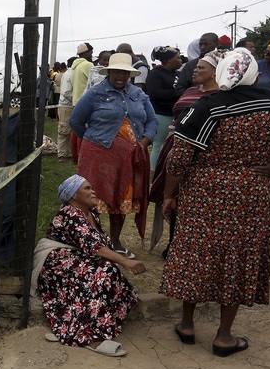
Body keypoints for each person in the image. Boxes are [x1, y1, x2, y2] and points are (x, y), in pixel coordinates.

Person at [160, 48, 270, 357]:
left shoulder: (208, 107)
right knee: (238, 258)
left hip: (204, 191)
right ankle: (223, 336)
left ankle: (187, 324)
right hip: (250, 192)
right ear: (255, 73)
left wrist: (169, 194)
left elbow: (179, 159)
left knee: (197, 253)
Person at [32, 175, 146, 357]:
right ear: (73, 195)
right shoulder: (70, 213)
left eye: (92, 188)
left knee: (109, 269)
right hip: (57, 263)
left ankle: (99, 324)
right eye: (87, 189)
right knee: (102, 270)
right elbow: (94, 246)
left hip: (75, 257)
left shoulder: (91, 214)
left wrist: (119, 258)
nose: (93, 191)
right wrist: (125, 261)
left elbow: (99, 244)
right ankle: (90, 336)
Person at [69, 53, 158, 258]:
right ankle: (92, 240)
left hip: (129, 157)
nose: (120, 76)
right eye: (116, 71)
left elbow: (152, 121)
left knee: (121, 200)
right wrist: (94, 142)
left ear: (130, 74)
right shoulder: (95, 94)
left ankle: (115, 241)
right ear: (108, 72)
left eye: (124, 72)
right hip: (98, 156)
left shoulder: (138, 95)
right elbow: (76, 121)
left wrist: (144, 141)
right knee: (93, 198)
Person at [148, 49, 223, 252]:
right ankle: (173, 243)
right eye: (196, 66)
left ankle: (186, 243)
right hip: (174, 146)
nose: (195, 69)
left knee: (189, 199)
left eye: (201, 67)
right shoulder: (191, 91)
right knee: (172, 198)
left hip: (200, 153)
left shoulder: (222, 96)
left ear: (215, 72)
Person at [144, 46, 182, 171]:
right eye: (178, 57)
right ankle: (153, 172)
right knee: (158, 145)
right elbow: (153, 93)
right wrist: (175, 93)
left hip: (174, 115)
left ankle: (166, 170)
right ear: (170, 60)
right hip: (161, 115)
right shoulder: (156, 74)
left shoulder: (177, 73)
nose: (180, 59)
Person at [56, 58, 76, 163]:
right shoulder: (69, 75)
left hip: (70, 105)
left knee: (70, 131)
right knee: (64, 130)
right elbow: (66, 92)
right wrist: (78, 99)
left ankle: (68, 153)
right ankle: (62, 154)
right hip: (66, 105)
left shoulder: (72, 74)